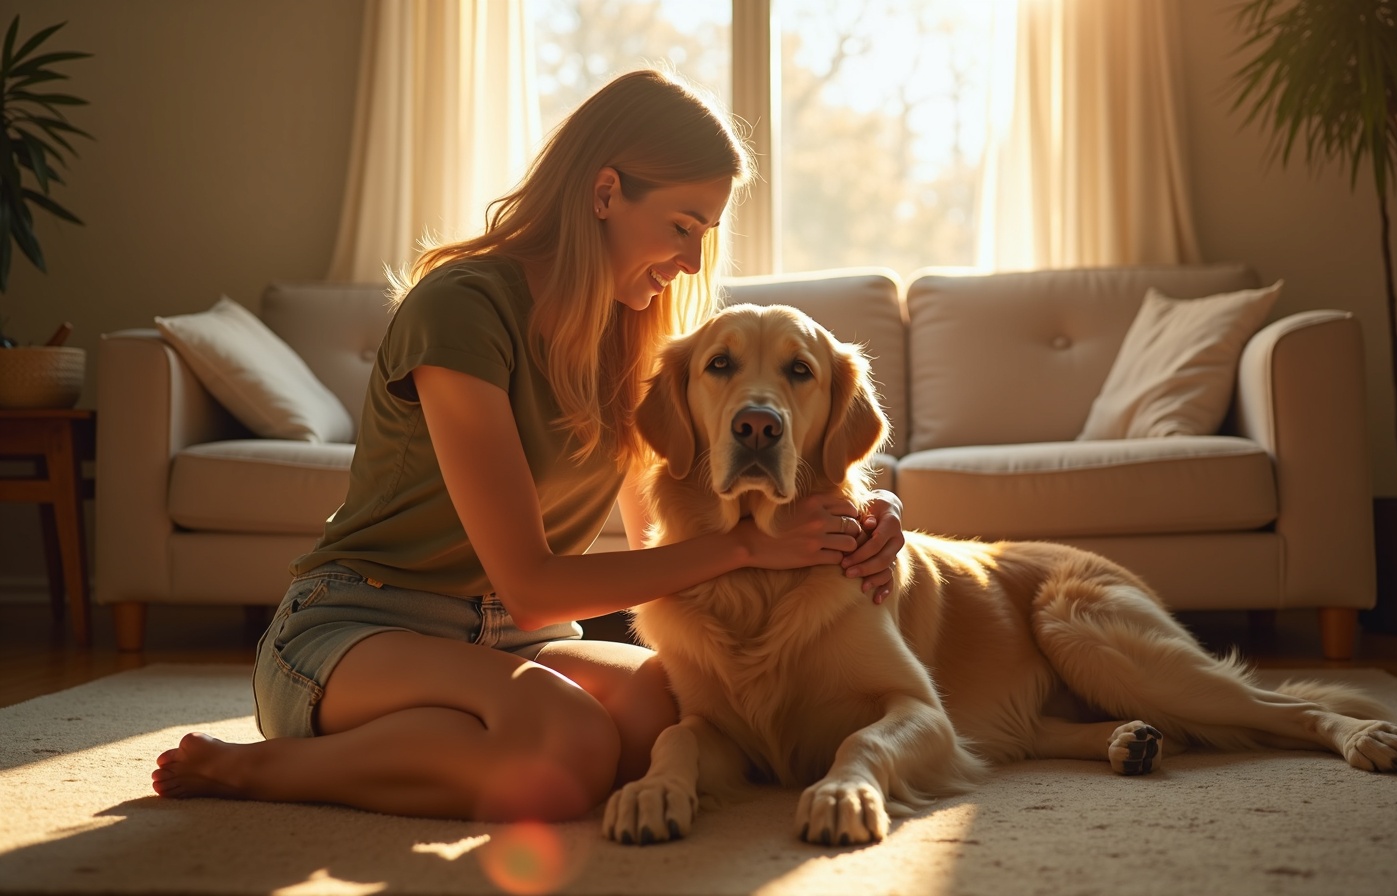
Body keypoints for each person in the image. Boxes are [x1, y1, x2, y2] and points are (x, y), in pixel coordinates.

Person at [151, 68, 907, 823]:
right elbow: (533, 585)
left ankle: (466, 733)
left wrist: (861, 521)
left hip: (516, 644)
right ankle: (270, 769)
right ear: (605, 192)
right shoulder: (460, 309)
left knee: (664, 711)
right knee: (570, 744)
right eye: (682, 226)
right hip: (361, 628)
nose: (690, 262)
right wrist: (747, 550)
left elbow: (669, 533)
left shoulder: (627, 333)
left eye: (704, 236)